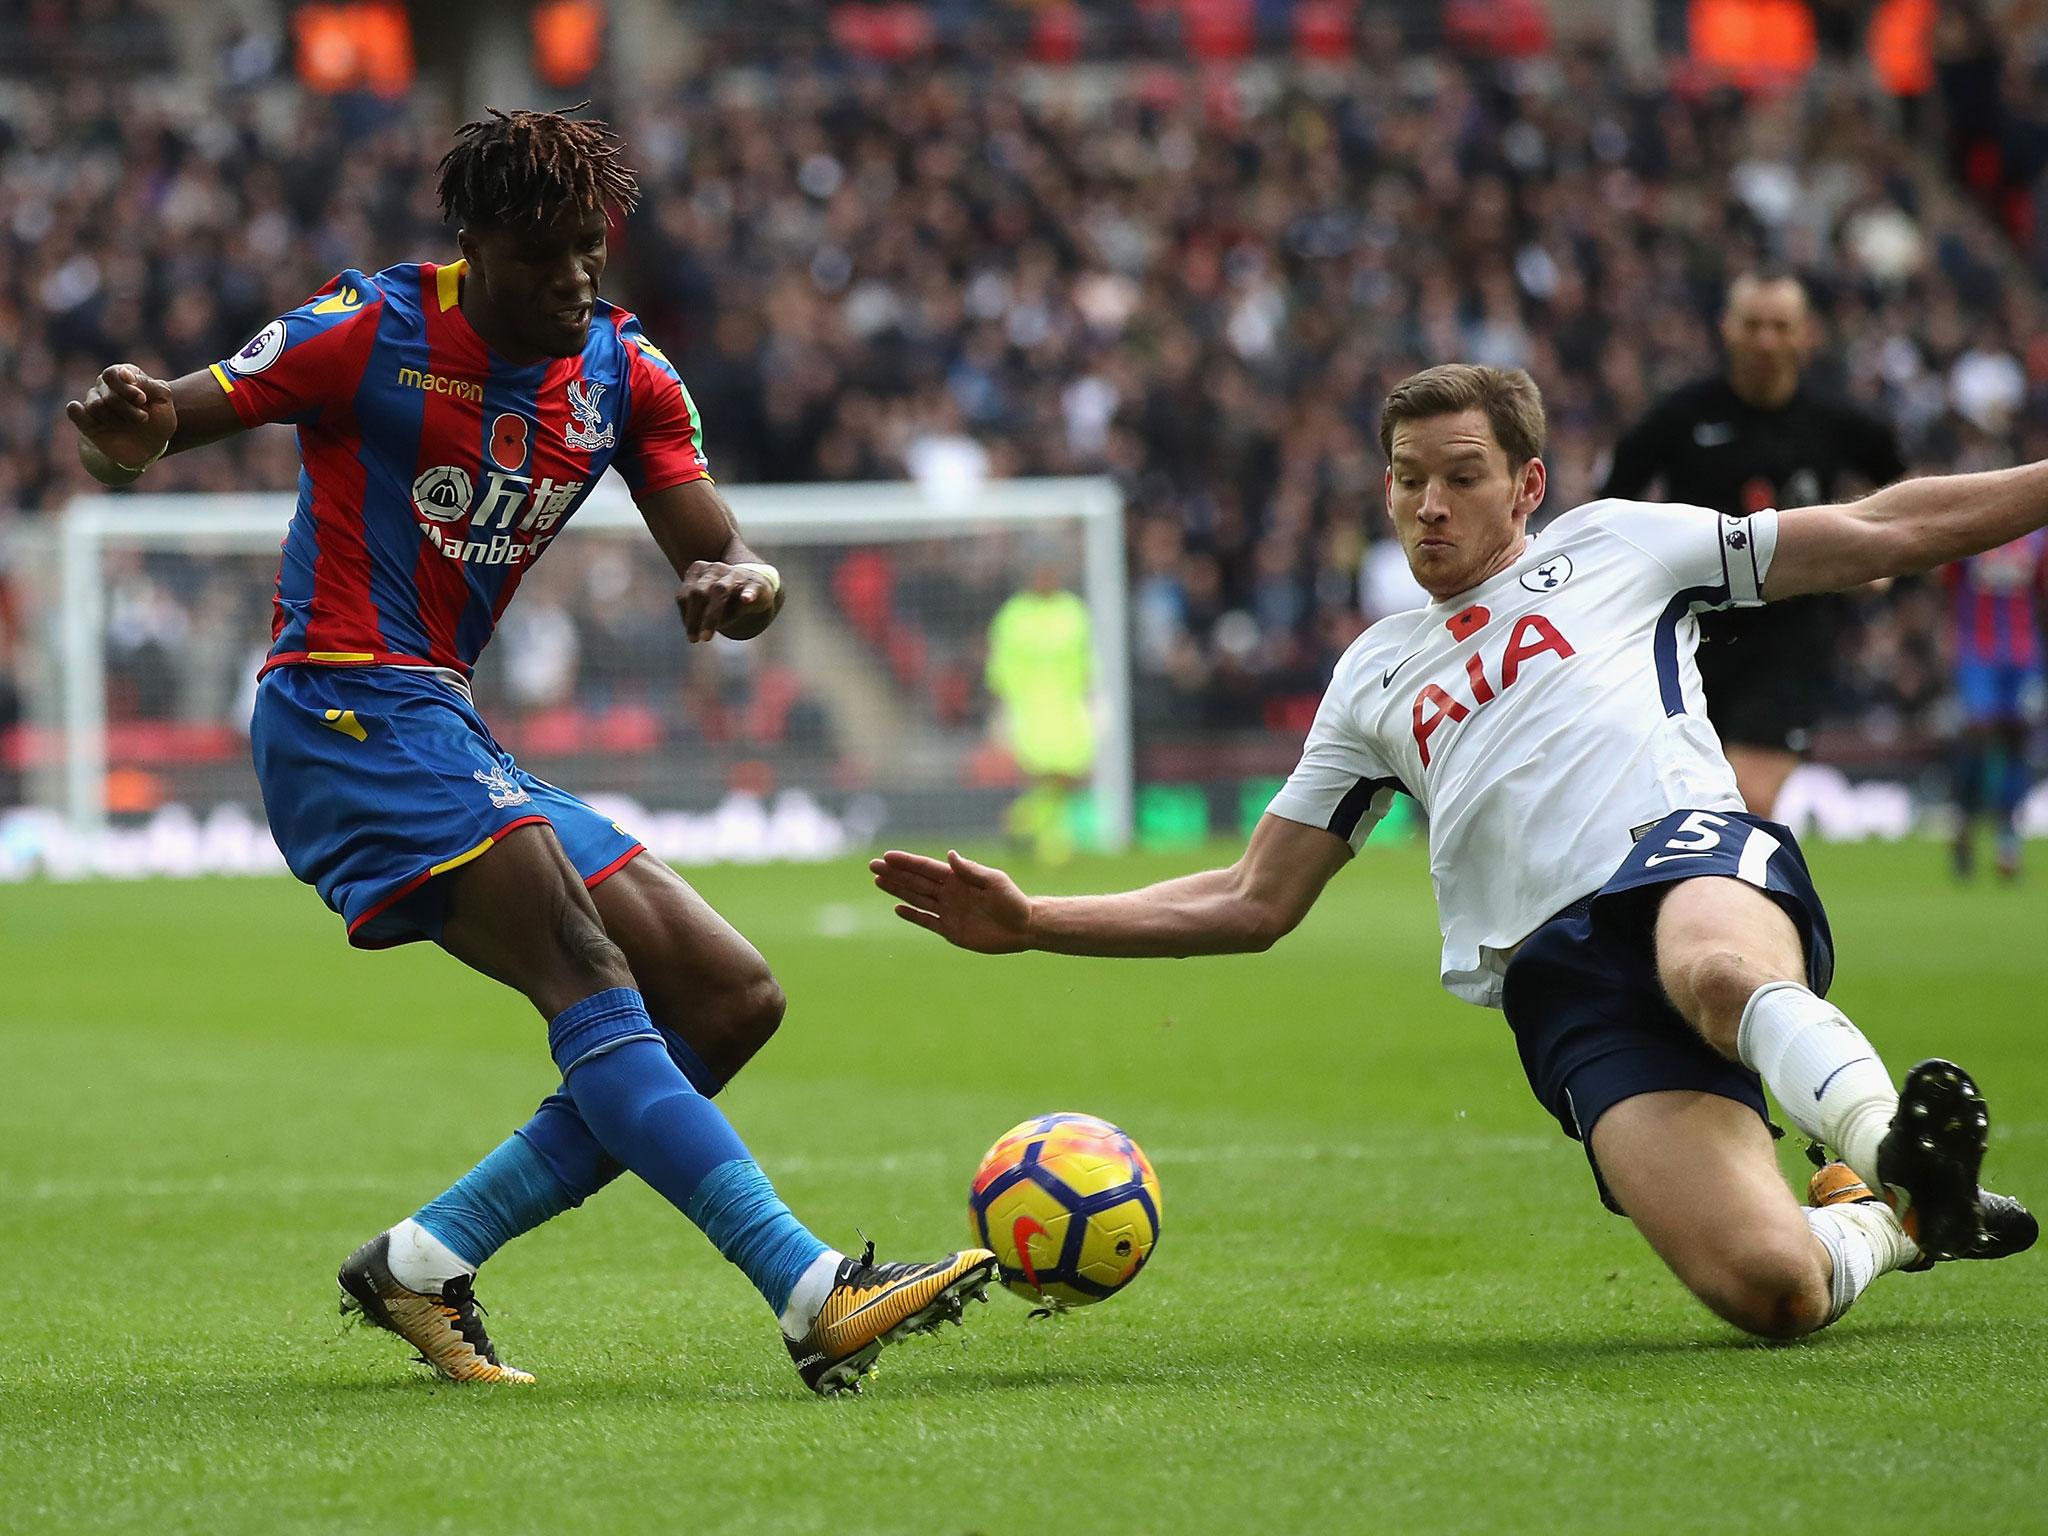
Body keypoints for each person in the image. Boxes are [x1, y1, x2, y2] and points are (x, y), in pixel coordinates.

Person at [65, 107, 994, 1396]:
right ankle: (808, 1289)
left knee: (726, 999)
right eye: (548, 253)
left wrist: (744, 587)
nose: (576, 278)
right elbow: (165, 419)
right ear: (477, 245)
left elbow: (726, 553)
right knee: (587, 966)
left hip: (440, 717)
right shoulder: (367, 328)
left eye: (592, 251)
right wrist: (127, 432)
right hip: (340, 711)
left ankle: (424, 1259)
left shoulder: (622, 371)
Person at [875, 364, 2036, 1342]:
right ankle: (1891, 1215)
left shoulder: (1617, 546)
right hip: (1559, 973)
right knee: (1770, 1291)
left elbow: (1877, 530)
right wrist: (1033, 923)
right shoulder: (1371, 677)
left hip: (1679, 853)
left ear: (1526, 485)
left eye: (1459, 477)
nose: (1426, 504)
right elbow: (1248, 899)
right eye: (1405, 479)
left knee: (1715, 971)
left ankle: (1889, 1144)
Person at [1602, 271, 1906, 817]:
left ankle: (1740, 900)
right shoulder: (1681, 417)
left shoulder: (1840, 424)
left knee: (1747, 801)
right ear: (1727, 329)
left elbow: (1904, 500)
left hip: (1790, 640)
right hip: (1690, 638)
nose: (1766, 340)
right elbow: (1610, 506)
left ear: (1805, 333)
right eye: (1753, 325)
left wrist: (1880, 565)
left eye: (1780, 326)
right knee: (1675, 805)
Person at [1943, 531, 2048, 880]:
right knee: (1980, 733)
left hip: (2023, 654)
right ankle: (1964, 819)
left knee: (2017, 739)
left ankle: (2007, 835)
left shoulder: (2038, 537)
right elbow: (1947, 585)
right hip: (1978, 652)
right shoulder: (1974, 530)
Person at [987, 560, 1094, 864]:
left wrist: (1091, 699)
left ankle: (1021, 818)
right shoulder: (1014, 616)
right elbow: (1000, 664)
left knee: (1068, 776)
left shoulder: (1073, 611)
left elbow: (1085, 660)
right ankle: (1055, 846)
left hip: (1068, 705)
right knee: (1042, 774)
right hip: (1030, 707)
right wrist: (1000, 709)